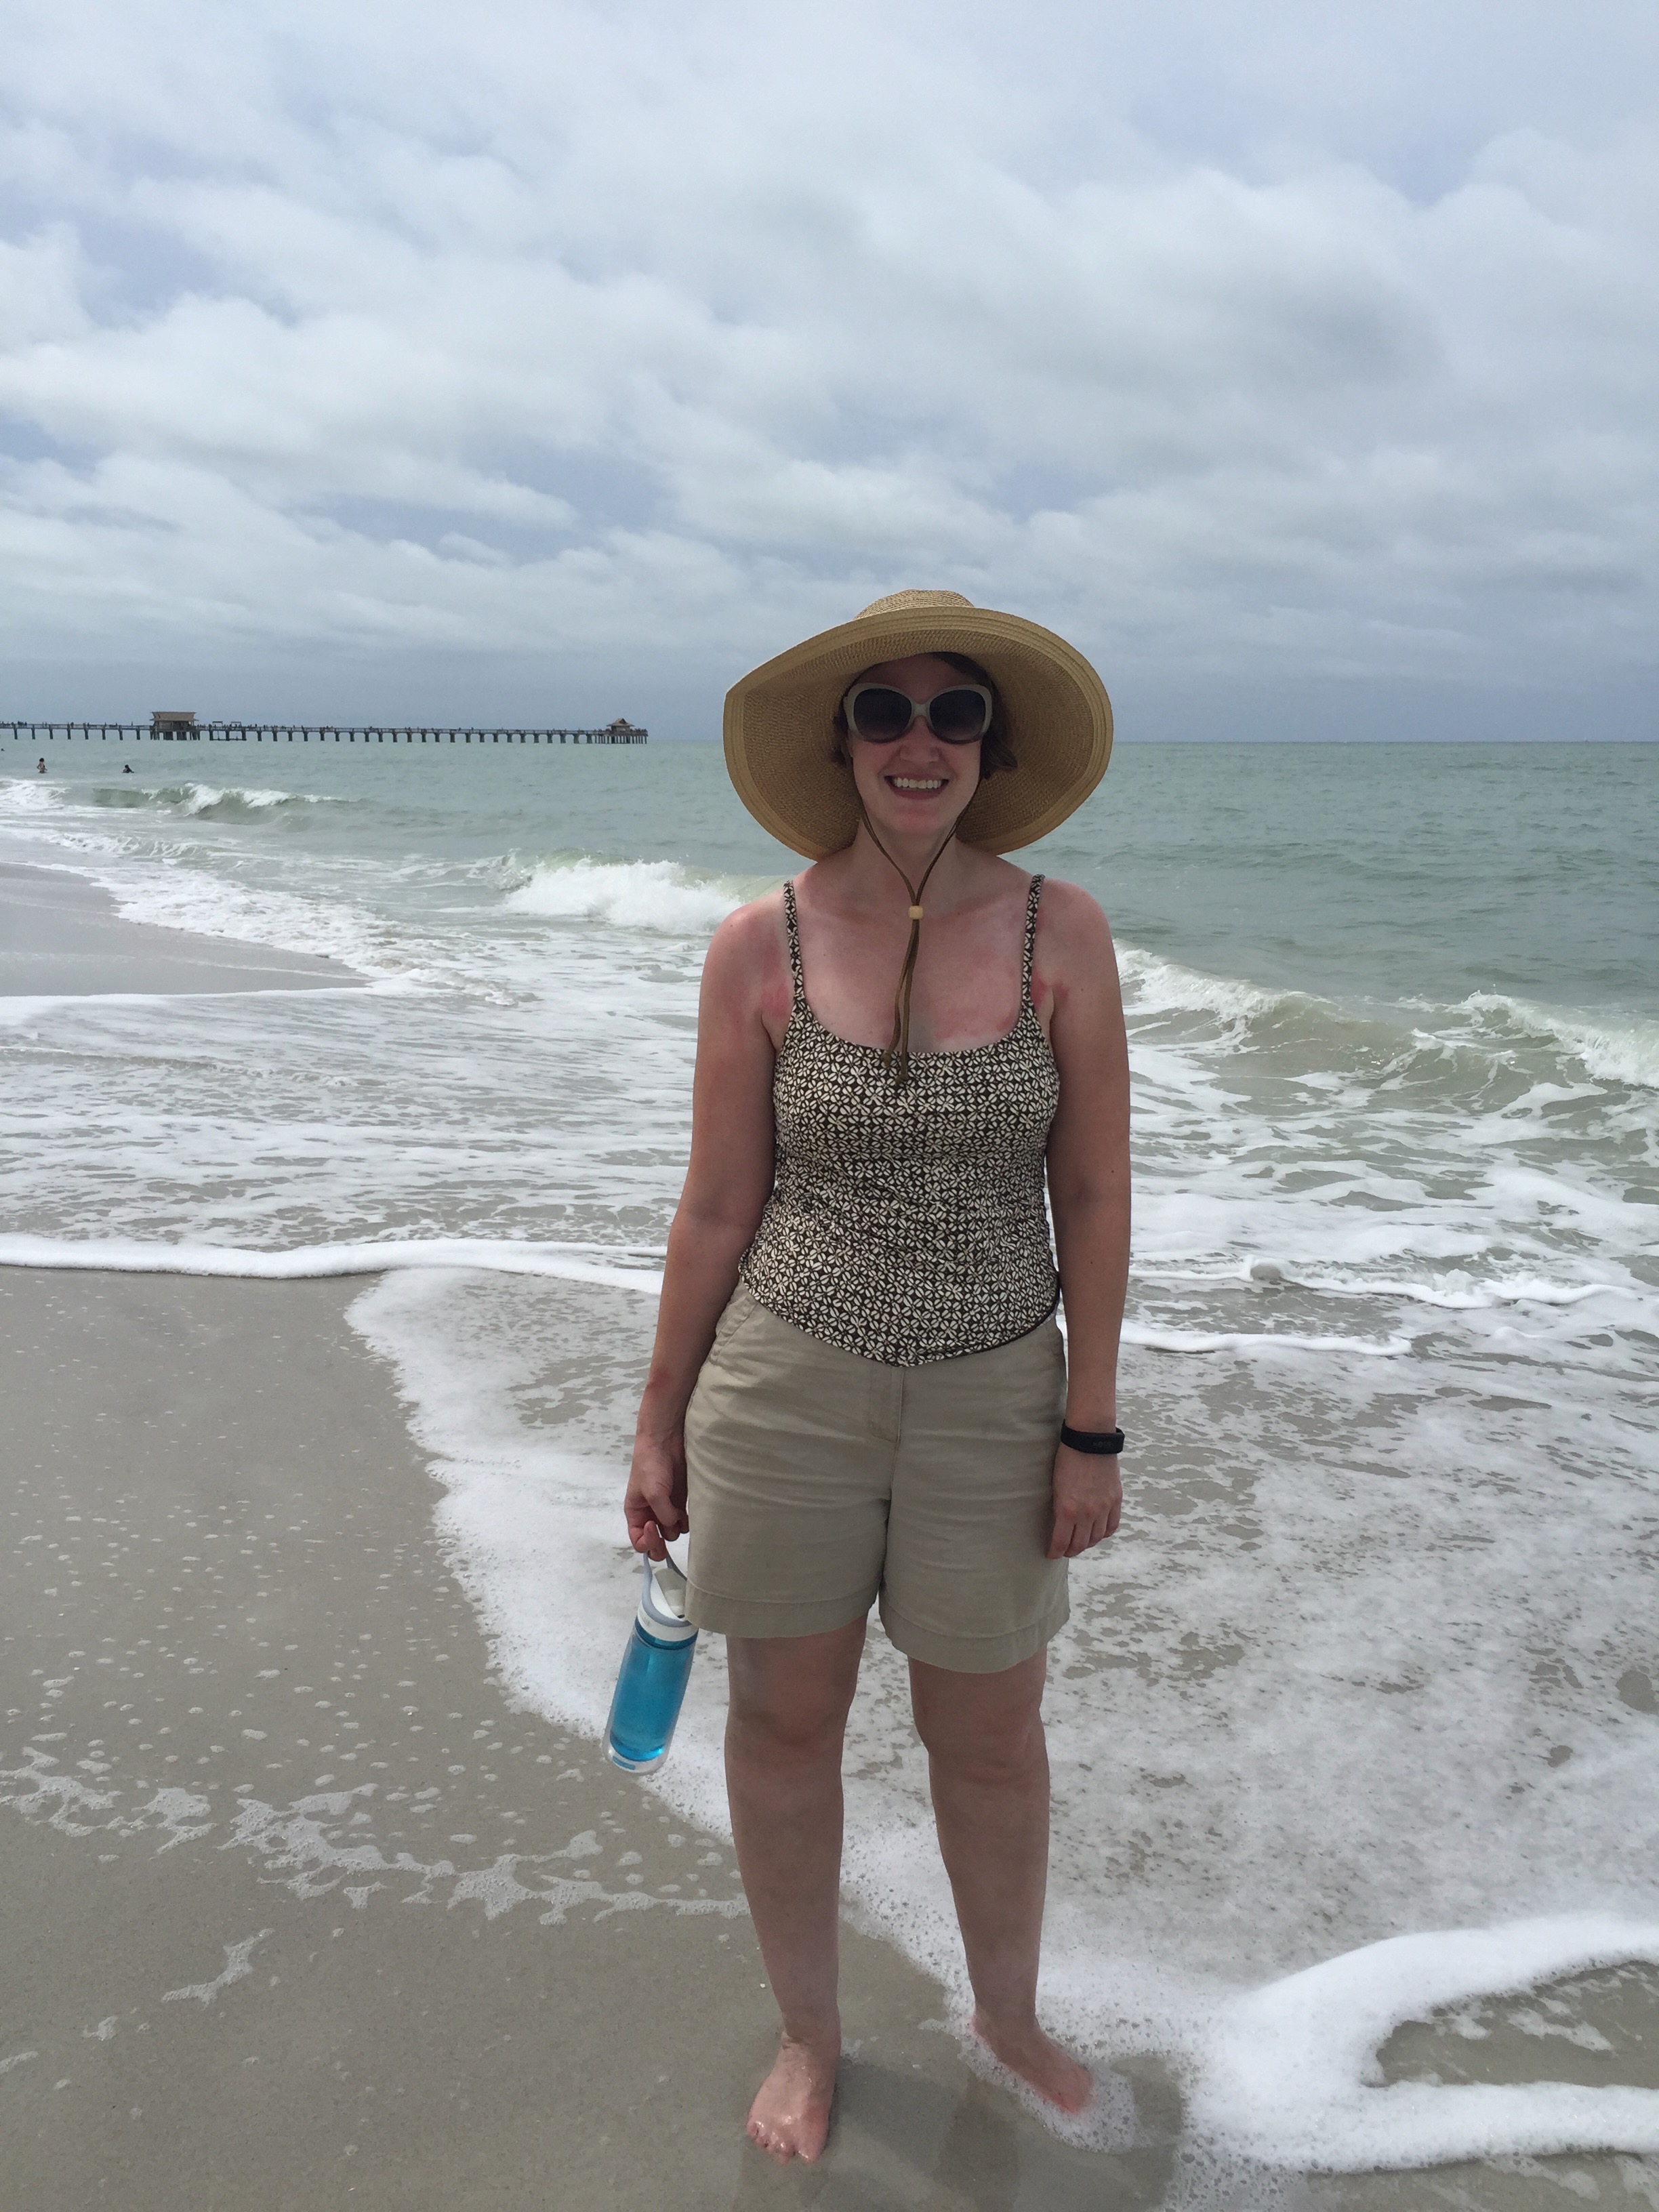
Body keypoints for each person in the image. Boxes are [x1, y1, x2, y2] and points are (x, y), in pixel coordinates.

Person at [625, 590, 1130, 2165]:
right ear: (843, 745)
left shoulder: (1061, 932)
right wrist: (657, 1420)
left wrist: (1092, 1427)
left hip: (998, 1392)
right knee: (785, 1725)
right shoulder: (756, 945)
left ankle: (1008, 2014)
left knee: (990, 1736)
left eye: (955, 712)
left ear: (992, 746)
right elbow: (719, 1205)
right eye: (887, 713)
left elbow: (1094, 1193)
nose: (922, 743)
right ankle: (810, 2034)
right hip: (786, 1386)